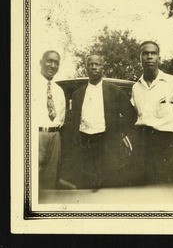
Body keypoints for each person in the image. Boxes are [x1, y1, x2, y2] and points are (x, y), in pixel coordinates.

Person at [71, 54, 136, 189]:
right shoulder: (78, 93)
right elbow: (73, 121)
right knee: (85, 184)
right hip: (85, 144)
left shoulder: (114, 91)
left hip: (107, 144)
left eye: (97, 64)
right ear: (86, 67)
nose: (94, 67)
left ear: (102, 67)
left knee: (107, 183)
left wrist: (119, 133)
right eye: (91, 64)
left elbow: (130, 115)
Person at [130, 41, 173, 185]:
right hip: (141, 143)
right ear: (140, 58)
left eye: (153, 53)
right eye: (145, 54)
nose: (149, 57)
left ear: (159, 57)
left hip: (165, 143)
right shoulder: (136, 87)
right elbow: (137, 114)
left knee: (162, 186)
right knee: (141, 186)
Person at [34, 50, 66, 189]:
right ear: (41, 62)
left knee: (51, 180)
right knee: (30, 176)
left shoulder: (58, 90)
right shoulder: (29, 85)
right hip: (36, 135)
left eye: (56, 62)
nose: (52, 65)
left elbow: (61, 117)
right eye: (49, 61)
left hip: (55, 136)